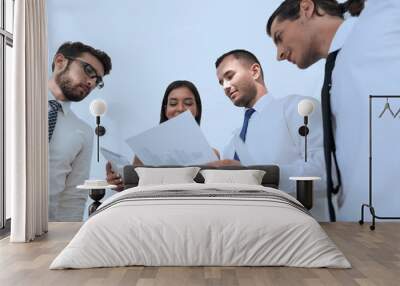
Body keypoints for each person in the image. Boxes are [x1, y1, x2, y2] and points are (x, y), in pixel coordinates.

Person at [266, 0, 400, 221]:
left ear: (306, 8)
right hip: (365, 229)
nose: (278, 54)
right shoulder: (334, 81)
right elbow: (334, 172)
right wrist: (261, 174)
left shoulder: (378, 22)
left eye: (279, 37)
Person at [212, 49, 328, 220]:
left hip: (299, 230)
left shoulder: (298, 108)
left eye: (230, 76)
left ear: (255, 71)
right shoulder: (232, 145)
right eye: (221, 82)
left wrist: (257, 174)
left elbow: (324, 173)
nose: (226, 86)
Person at [106, 80, 220, 191]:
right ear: (166, 110)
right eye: (173, 103)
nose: (180, 109)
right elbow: (133, 190)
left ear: (197, 110)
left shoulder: (212, 155)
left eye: (188, 103)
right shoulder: (143, 153)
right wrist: (120, 184)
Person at [48, 41, 112, 221]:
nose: (92, 82)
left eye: (97, 80)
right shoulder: (11, 102)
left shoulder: (83, 132)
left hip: (44, 231)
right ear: (60, 61)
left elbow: (73, 198)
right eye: (89, 70)